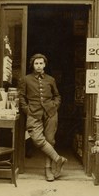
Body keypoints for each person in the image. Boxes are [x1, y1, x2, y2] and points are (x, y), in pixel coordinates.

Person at [19, 53, 67, 181]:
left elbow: (57, 95)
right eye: (36, 63)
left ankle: (48, 170)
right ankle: (58, 159)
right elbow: (21, 97)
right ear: (33, 65)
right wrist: (27, 110)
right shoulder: (26, 79)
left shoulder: (50, 79)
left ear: (44, 64)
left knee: (50, 141)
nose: (39, 66)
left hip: (50, 113)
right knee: (37, 139)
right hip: (33, 113)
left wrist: (55, 105)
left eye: (41, 63)